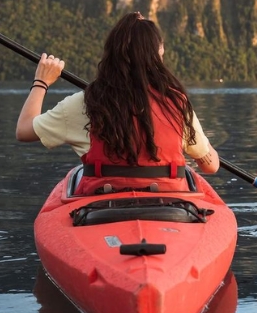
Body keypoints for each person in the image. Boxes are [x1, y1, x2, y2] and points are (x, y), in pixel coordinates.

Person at [15, 12, 220, 194]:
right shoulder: (176, 102)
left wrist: (41, 82)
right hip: (169, 205)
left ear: (111, 55)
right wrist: (202, 150)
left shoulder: (85, 103)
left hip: (102, 208)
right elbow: (211, 167)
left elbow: (23, 131)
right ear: (158, 55)